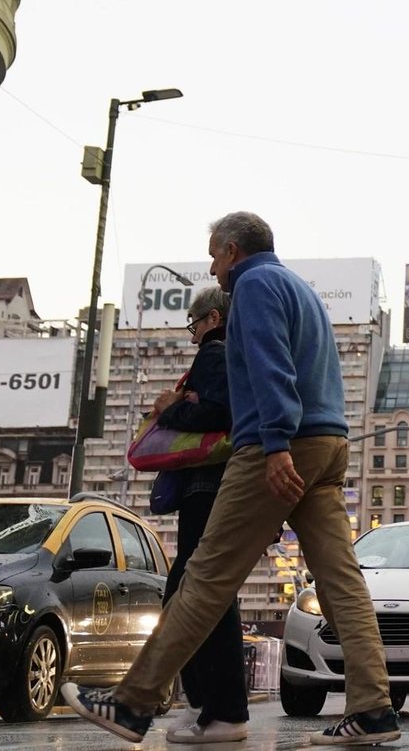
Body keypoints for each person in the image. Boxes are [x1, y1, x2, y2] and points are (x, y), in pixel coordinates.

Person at [65, 212, 399, 747]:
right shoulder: (299, 288)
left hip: (280, 445)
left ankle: (132, 702)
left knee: (206, 575)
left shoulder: (256, 285)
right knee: (342, 584)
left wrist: (273, 444)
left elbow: (272, 368)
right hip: (326, 444)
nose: (212, 266)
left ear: (233, 249)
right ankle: (373, 709)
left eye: (215, 254)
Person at [151, 286, 250, 745]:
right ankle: (207, 703)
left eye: (193, 324)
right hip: (219, 486)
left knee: (196, 592)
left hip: (206, 487)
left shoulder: (215, 352)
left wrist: (171, 410)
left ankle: (211, 705)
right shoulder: (239, 351)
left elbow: (217, 413)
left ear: (211, 318)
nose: (192, 336)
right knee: (203, 591)